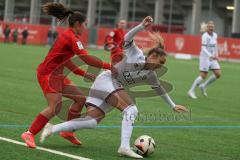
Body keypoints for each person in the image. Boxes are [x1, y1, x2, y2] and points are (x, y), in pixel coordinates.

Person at [40, 16, 188, 159]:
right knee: (131, 109)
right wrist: (141, 26)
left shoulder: (151, 74)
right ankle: (124, 147)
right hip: (107, 80)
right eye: (160, 62)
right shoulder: (135, 54)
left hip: (111, 85)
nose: (160, 66)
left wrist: (173, 105)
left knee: (91, 122)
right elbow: (128, 38)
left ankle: (52, 128)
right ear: (152, 57)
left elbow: (160, 89)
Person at [21, 2, 112, 149]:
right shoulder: (71, 38)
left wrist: (81, 73)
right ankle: (29, 133)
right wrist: (110, 66)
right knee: (54, 108)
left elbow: (66, 61)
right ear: (77, 24)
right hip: (48, 74)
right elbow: (86, 59)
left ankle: (68, 132)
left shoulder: (71, 37)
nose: (86, 27)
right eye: (85, 24)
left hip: (57, 75)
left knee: (80, 99)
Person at [188, 21, 221, 99]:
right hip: (205, 57)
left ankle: (203, 86)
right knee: (203, 75)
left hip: (212, 58)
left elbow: (215, 46)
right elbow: (203, 48)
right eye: (209, 27)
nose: (211, 28)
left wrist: (217, 55)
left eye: (212, 27)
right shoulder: (205, 36)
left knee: (218, 74)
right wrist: (210, 55)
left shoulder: (215, 35)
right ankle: (191, 91)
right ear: (207, 28)